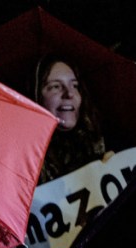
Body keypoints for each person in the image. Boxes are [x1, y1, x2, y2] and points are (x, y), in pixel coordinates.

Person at [32, 54, 111, 183]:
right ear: (36, 97)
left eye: (74, 85)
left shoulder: (99, 139)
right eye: (55, 86)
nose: (69, 93)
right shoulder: (27, 162)